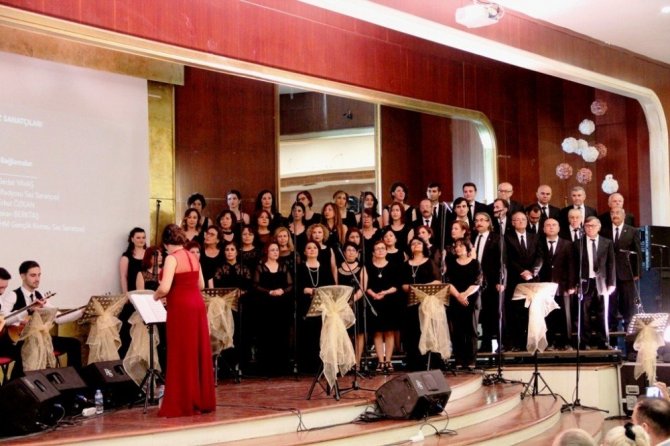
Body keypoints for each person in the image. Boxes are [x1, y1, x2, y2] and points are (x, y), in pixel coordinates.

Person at [153, 224, 215, 417]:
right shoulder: (193, 256)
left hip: (181, 308)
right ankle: (200, 399)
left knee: (181, 352)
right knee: (196, 351)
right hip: (197, 305)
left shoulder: (172, 258)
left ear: (166, 243)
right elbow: (201, 284)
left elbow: (164, 288)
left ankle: (184, 401)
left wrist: (154, 296)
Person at [0, 261, 82, 378]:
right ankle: (17, 385)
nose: (37, 279)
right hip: (20, 340)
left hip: (40, 338)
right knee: (29, 350)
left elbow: (58, 318)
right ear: (23, 276)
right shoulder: (13, 295)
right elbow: (5, 319)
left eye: (39, 275)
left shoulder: (41, 296)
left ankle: (73, 381)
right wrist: (27, 311)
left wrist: (81, 312)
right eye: (33, 275)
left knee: (74, 344)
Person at [571, 216, 616, 349]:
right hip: (585, 282)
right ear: (584, 228)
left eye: (593, 226)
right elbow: (573, 265)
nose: (590, 228)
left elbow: (611, 264)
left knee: (603, 313)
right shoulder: (578, 243)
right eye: (587, 226)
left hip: (602, 283)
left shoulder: (607, 242)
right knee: (584, 313)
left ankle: (603, 341)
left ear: (599, 227)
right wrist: (575, 284)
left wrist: (612, 283)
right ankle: (584, 342)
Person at [252, 241, 294, 376]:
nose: (275, 252)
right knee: (266, 335)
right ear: (267, 252)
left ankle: (282, 367)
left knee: (281, 335)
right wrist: (269, 292)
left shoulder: (283, 267)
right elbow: (255, 285)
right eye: (272, 250)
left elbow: (290, 285)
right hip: (265, 307)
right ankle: (267, 368)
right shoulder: (260, 268)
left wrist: (282, 290)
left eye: (277, 250)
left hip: (281, 306)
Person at [401, 237, 441, 371]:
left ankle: (431, 361)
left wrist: (422, 289)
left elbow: (437, 281)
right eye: (413, 243)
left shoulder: (430, 262)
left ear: (424, 246)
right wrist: (414, 289)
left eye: (419, 243)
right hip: (410, 303)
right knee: (412, 332)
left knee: (428, 330)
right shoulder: (406, 265)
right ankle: (414, 362)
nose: (416, 245)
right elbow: (403, 285)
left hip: (427, 302)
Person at [296, 240, 335, 373]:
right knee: (307, 336)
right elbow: (296, 287)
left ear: (318, 251)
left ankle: (321, 366)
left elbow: (331, 287)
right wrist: (306, 290)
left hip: (322, 307)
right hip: (306, 306)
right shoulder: (300, 268)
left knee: (321, 335)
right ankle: (306, 366)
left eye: (315, 248)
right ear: (304, 252)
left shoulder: (325, 268)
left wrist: (320, 292)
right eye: (309, 248)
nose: (312, 250)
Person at [600, 208, 642, 332]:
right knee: (611, 304)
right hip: (609, 274)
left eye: (617, 213)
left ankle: (628, 332)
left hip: (627, 273)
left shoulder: (632, 231)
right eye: (612, 213)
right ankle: (612, 332)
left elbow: (637, 253)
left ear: (624, 215)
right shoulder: (604, 231)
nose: (615, 215)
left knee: (628, 304)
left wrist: (637, 272)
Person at [535, 218, 574, 351]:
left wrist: (571, 285)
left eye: (554, 225)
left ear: (558, 228)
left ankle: (566, 342)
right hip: (545, 286)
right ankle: (550, 342)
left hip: (563, 285)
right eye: (548, 225)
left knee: (565, 315)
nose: (551, 227)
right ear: (543, 229)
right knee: (548, 315)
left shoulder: (567, 244)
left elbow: (571, 266)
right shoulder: (539, 244)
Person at [505, 211, 541, 351]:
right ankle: (518, 343)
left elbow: (540, 256)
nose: (521, 221)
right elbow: (509, 258)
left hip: (533, 280)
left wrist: (532, 272)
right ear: (513, 222)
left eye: (523, 219)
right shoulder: (507, 237)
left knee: (531, 312)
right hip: (515, 279)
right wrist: (521, 271)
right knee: (516, 313)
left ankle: (532, 343)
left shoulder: (535, 236)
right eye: (517, 220)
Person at [367, 240, 402, 374]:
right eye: (377, 248)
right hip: (374, 301)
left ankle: (388, 360)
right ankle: (380, 361)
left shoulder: (393, 266)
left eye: (383, 248)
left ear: (386, 251)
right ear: (373, 252)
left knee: (389, 332)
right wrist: (374, 294)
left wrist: (385, 293)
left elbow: (396, 285)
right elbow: (366, 285)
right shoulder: (369, 267)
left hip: (389, 301)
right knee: (377, 332)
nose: (380, 251)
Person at [446, 238, 482, 369]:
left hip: (471, 298)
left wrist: (465, 294)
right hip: (455, 298)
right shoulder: (451, 263)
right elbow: (448, 282)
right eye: (456, 246)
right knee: (457, 330)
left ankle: (471, 360)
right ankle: (459, 360)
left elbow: (477, 282)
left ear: (467, 248)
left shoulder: (475, 263)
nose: (457, 248)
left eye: (461, 246)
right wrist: (458, 296)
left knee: (471, 329)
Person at [472, 212, 503, 353]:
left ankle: (491, 343)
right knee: (481, 313)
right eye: (476, 220)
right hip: (475, 281)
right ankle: (482, 344)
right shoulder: (472, 238)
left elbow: (502, 261)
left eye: (482, 220)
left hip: (491, 281)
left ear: (488, 222)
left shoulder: (497, 238)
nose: (479, 223)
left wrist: (500, 280)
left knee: (491, 313)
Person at [337, 241, 368, 370]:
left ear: (357, 253)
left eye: (353, 250)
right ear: (344, 253)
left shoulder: (361, 267)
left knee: (359, 333)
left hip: (357, 303)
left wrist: (352, 300)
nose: (350, 253)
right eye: (348, 250)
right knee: (345, 333)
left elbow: (363, 287)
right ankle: (347, 361)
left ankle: (357, 361)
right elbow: (336, 285)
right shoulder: (338, 268)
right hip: (341, 304)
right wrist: (343, 302)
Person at [119, 227, 147, 293]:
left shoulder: (150, 254)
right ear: (132, 239)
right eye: (138, 238)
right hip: (133, 293)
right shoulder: (126, 257)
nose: (141, 240)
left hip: (149, 293)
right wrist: (126, 294)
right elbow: (123, 277)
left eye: (143, 237)